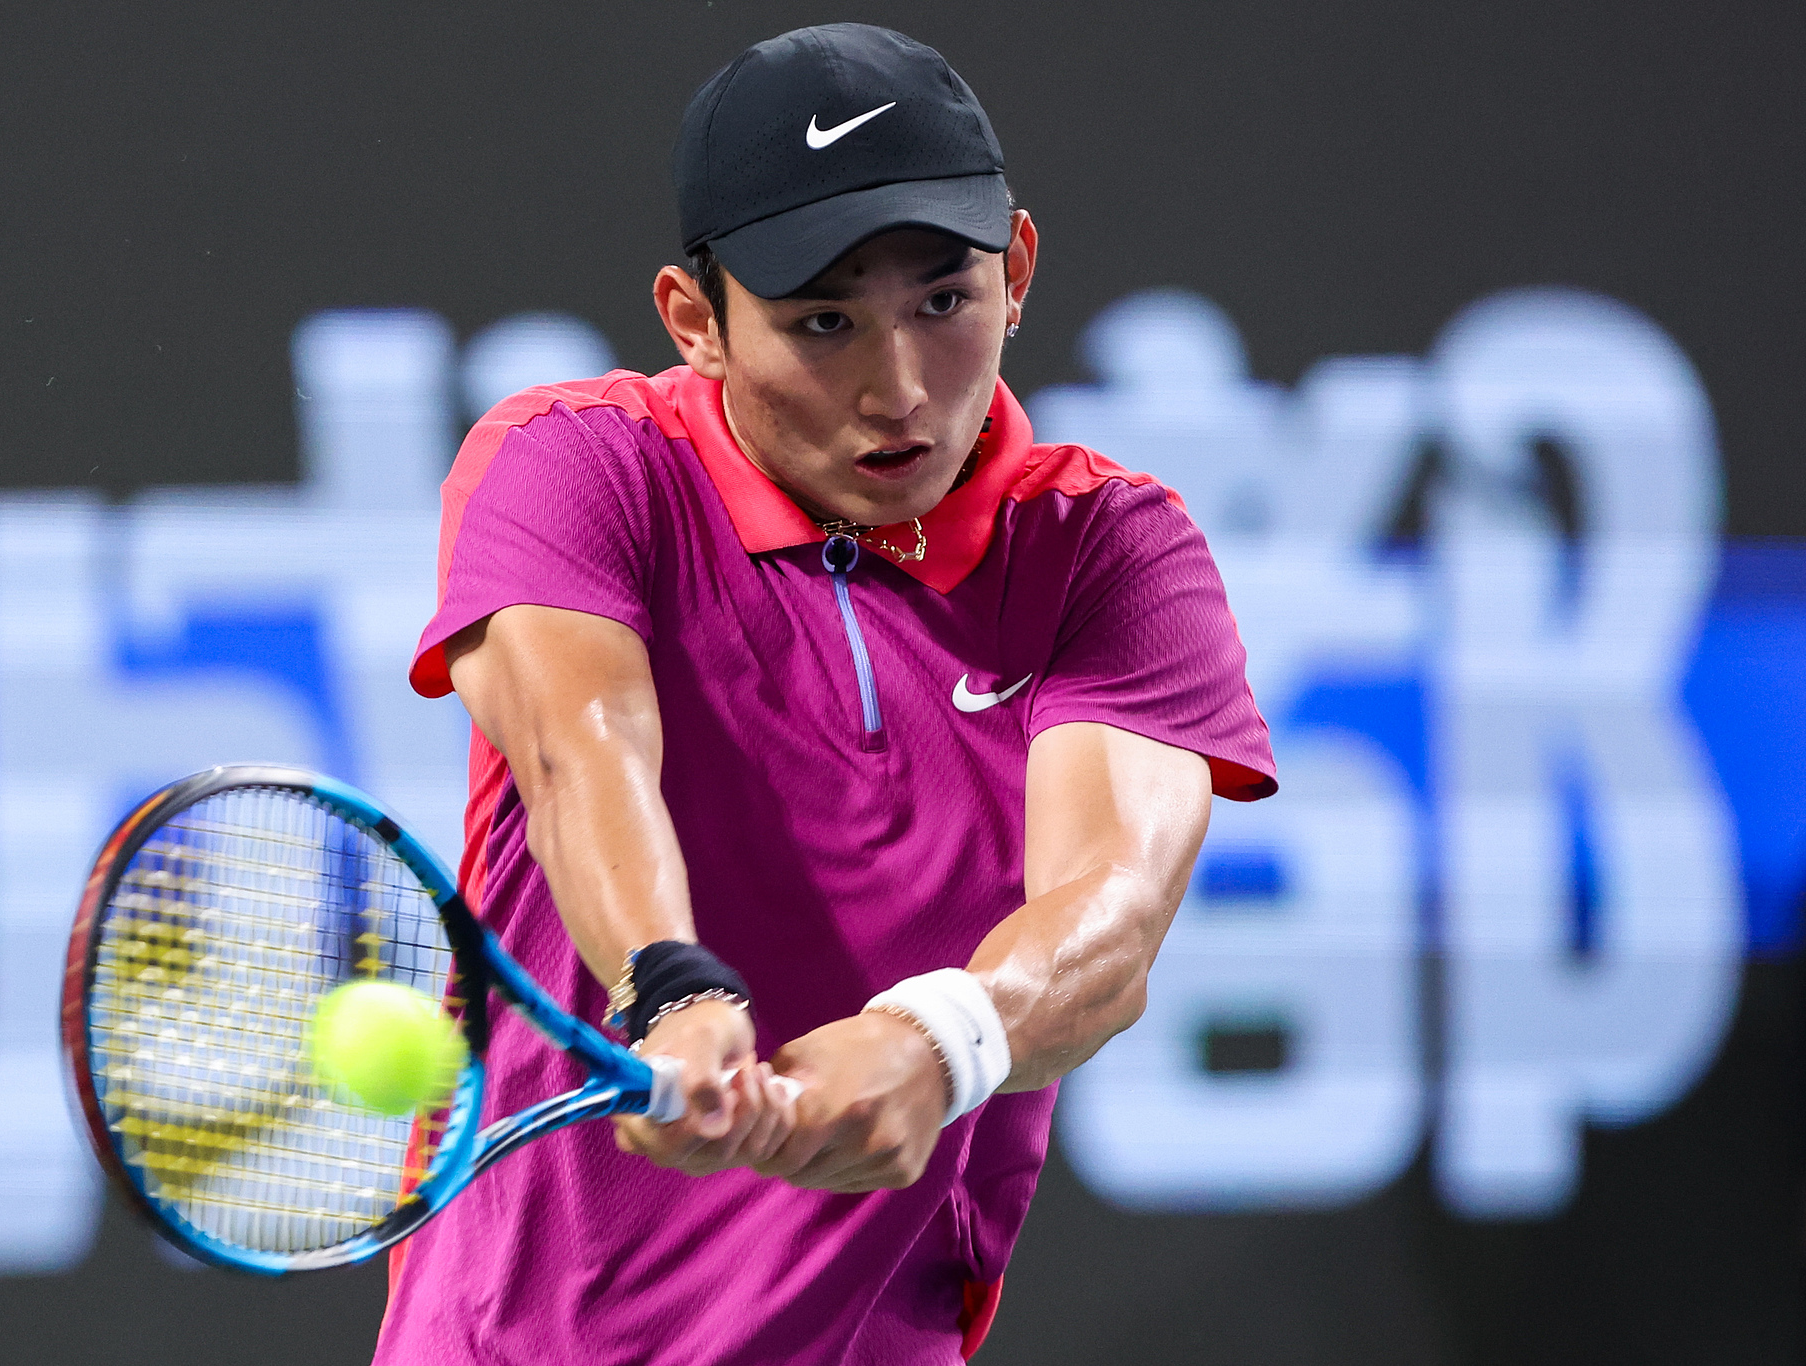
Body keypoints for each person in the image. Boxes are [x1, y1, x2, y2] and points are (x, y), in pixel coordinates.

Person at [380, 23, 1274, 1365]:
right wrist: (669, 985)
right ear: (696, 321)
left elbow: (1114, 910)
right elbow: (581, 750)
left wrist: (941, 1037)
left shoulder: (1110, 549)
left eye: (943, 300)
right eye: (821, 322)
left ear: (1017, 268)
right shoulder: (574, 466)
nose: (899, 388)